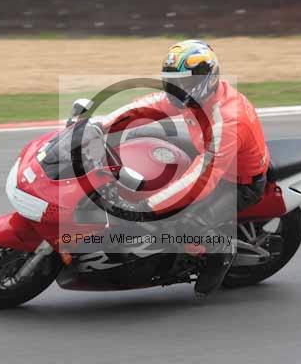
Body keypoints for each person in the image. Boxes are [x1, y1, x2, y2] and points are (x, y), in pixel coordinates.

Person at [101, 39, 270, 297]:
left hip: (238, 181)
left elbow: (203, 178)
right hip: (208, 151)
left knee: (182, 222)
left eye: (183, 83)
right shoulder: (190, 94)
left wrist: (148, 206)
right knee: (142, 138)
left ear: (207, 79)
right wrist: (101, 124)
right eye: (172, 83)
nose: (176, 90)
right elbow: (148, 105)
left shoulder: (227, 119)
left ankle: (221, 252)